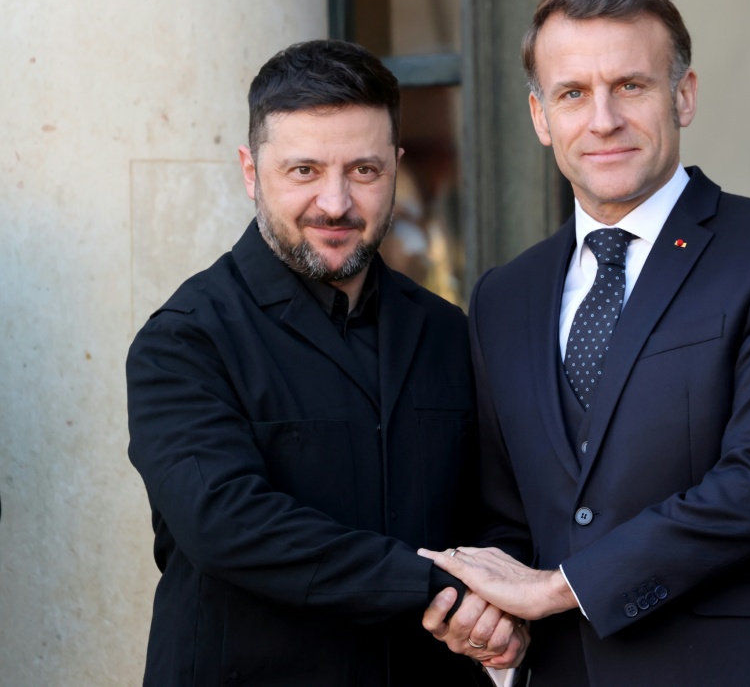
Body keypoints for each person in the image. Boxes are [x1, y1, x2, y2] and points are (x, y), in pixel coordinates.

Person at [421, 0, 750, 686]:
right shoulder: (505, 297)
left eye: (630, 85)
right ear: (540, 116)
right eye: (572, 93)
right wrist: (494, 613)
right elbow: (510, 516)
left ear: (682, 95)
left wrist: (560, 588)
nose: (602, 120)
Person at [127, 39, 522, 686]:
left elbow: (498, 508)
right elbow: (227, 523)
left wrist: (501, 601)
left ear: (396, 168)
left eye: (363, 170)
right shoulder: (185, 340)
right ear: (251, 172)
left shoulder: (449, 331)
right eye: (304, 170)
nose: (335, 203)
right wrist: (434, 585)